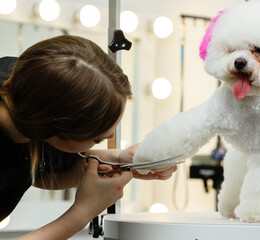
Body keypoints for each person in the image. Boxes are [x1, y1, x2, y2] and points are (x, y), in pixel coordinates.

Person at [0, 35, 177, 239]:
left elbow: (30, 173)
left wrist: (120, 160)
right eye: (97, 139)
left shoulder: (26, 84)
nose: (111, 135)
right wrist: (82, 213)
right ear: (53, 128)